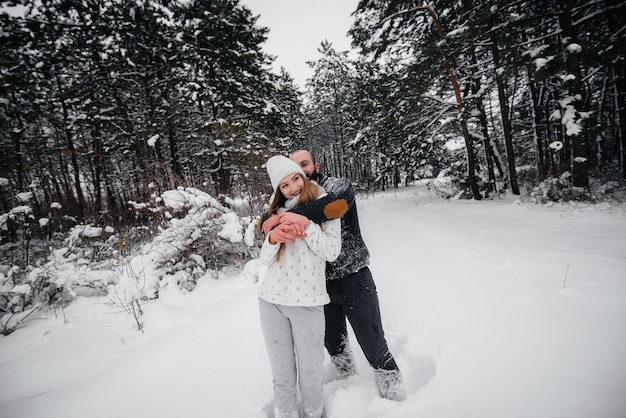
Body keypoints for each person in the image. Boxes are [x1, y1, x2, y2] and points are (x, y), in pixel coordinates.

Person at [262, 150, 407, 402]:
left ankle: (396, 396)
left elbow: (331, 207)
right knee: (335, 346)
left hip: (354, 276)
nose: (299, 172)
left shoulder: (337, 187)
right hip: (320, 288)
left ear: (315, 165)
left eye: (304, 165)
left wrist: (277, 219)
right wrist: (270, 219)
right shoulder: (293, 198)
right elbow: (270, 217)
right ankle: (348, 388)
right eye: (293, 168)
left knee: (373, 341)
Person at [258, 155, 342, 418]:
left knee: (310, 377)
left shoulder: (323, 205)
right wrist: (272, 239)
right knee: (282, 377)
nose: (293, 187)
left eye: (296, 178)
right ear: (278, 191)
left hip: (307, 303)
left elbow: (332, 250)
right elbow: (264, 260)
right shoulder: (275, 215)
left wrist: (308, 226)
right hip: (271, 302)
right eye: (284, 185)